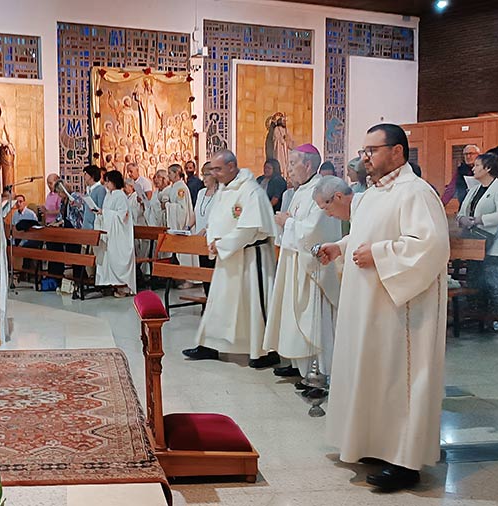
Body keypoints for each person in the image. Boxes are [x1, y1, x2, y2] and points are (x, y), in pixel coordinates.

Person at [317, 123, 450, 492]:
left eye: (372, 150)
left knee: (399, 379)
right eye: (363, 151)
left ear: (397, 152)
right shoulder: (373, 193)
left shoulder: (416, 192)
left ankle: (405, 461)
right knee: (373, 372)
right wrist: (342, 247)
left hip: (401, 308)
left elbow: (431, 246)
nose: (365, 158)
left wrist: (377, 254)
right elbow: (368, 233)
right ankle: (377, 445)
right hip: (370, 303)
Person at [186, 150, 279, 369]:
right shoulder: (224, 190)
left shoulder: (251, 191)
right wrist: (212, 239)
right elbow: (215, 219)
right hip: (227, 256)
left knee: (252, 304)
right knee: (220, 302)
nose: (214, 174)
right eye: (212, 170)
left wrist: (221, 244)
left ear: (231, 166)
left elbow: (249, 229)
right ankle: (209, 345)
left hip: (250, 258)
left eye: (218, 169)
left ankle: (262, 352)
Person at [263, 144, 342, 399]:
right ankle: (304, 370)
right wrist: (287, 223)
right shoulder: (300, 191)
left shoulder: (323, 189)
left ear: (308, 165)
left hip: (313, 269)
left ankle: (320, 375)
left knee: (314, 320)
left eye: (293, 163)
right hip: (296, 263)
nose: (289, 169)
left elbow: (315, 231)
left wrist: (288, 223)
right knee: (298, 317)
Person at [456, 153, 498, 332]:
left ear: (488, 168)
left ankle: (497, 317)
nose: (473, 168)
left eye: (477, 165)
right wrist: (462, 219)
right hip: (474, 241)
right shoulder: (473, 189)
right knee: (474, 277)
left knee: (492, 278)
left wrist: (478, 220)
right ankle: (476, 314)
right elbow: (462, 211)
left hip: (492, 240)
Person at [94, 170, 137, 297]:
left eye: (108, 181)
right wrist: (101, 214)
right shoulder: (109, 195)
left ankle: (123, 287)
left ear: (114, 182)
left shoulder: (120, 195)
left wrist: (105, 213)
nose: (105, 184)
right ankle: (110, 284)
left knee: (117, 258)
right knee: (108, 258)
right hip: (110, 234)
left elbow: (122, 216)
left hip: (120, 236)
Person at [194, 163, 219, 296]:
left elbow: (218, 217)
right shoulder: (200, 193)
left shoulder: (220, 194)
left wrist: (205, 229)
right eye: (202, 174)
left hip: (213, 239)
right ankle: (208, 299)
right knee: (204, 270)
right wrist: (186, 228)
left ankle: (215, 301)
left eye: (206, 174)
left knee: (213, 270)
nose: (203, 178)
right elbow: (196, 213)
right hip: (199, 239)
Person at [82, 165, 108, 231]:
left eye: (85, 174)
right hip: (86, 226)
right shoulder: (88, 189)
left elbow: (101, 208)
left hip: (94, 227)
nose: (84, 176)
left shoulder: (100, 189)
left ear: (92, 176)